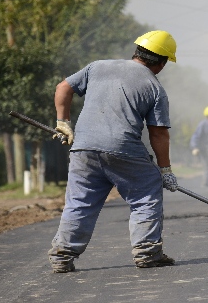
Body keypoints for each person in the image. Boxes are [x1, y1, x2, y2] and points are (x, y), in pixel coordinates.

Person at [49, 30, 180, 273]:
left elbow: (63, 88)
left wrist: (63, 122)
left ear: (136, 52)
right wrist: (165, 171)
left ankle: (62, 255)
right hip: (123, 150)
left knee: (79, 202)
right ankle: (147, 252)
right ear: (161, 63)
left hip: (84, 149)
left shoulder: (97, 67)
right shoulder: (154, 87)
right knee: (146, 193)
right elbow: (158, 133)